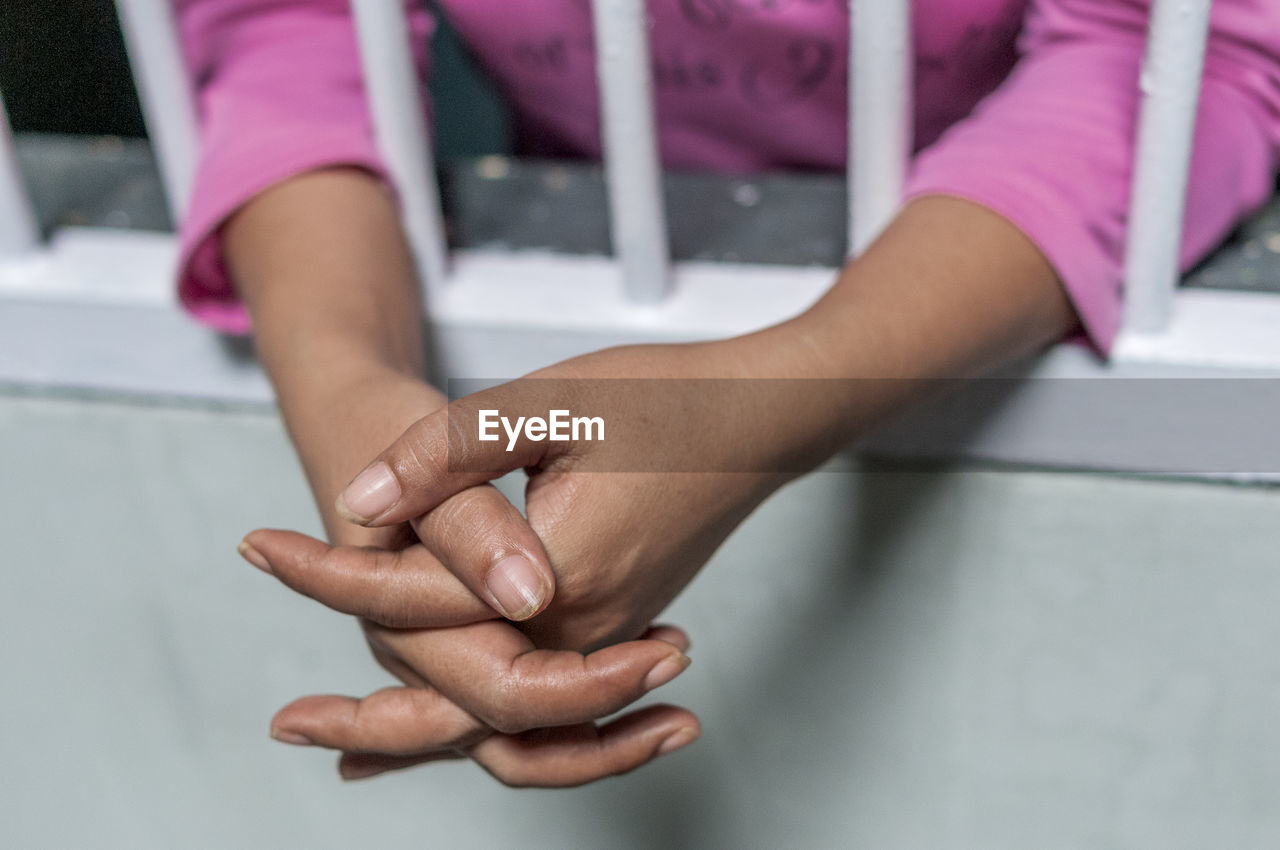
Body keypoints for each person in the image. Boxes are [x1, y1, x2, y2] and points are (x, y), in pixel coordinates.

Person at [174, 0, 1280, 786]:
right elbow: (292, 25)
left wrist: (779, 392)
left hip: (987, 248)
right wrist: (351, 397)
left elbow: (1183, 51)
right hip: (601, 232)